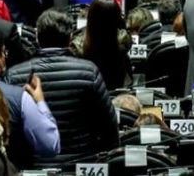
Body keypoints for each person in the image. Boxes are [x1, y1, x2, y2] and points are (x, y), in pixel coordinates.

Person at [8, 9, 118, 166]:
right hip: (81, 165)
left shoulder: (15, 76)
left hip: (34, 167)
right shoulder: (89, 72)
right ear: (70, 38)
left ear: (37, 37)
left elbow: (10, 132)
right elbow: (109, 125)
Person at [0, 23, 60, 169]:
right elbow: (50, 145)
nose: (5, 58)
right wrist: (40, 102)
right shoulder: (19, 98)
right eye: (4, 53)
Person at [80, 0, 131, 90]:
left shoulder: (77, 46)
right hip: (116, 94)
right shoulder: (123, 41)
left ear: (90, 17)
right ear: (117, 18)